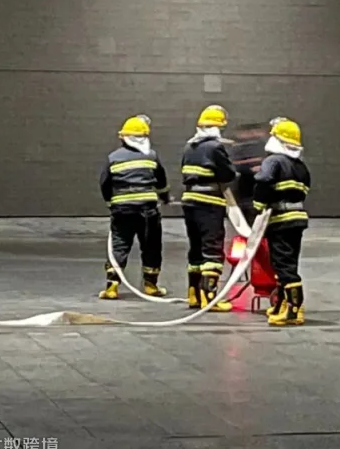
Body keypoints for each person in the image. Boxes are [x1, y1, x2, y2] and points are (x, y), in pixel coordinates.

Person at [98, 116, 171, 299]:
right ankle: (151, 285)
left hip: (122, 210)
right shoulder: (151, 156)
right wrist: (165, 197)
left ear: (123, 137)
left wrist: (110, 203)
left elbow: (105, 183)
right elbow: (161, 181)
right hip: (147, 210)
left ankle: (111, 287)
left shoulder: (113, 158)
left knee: (119, 245)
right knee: (151, 245)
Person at [253, 118, 311, 326]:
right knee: (287, 263)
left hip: (280, 221)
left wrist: (259, 203)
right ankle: (281, 305)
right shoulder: (300, 166)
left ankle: (294, 311)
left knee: (283, 266)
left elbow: (263, 180)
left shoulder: (274, 161)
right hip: (297, 219)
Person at [181, 105, 238, 312]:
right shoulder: (215, 147)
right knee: (212, 248)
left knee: (196, 249)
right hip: (209, 202)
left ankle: (194, 295)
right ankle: (209, 297)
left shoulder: (189, 147)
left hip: (189, 201)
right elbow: (228, 174)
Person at [226, 122, 270, 226]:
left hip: (258, 193)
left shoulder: (265, 147)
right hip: (244, 192)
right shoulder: (237, 148)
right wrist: (250, 169)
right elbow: (232, 165)